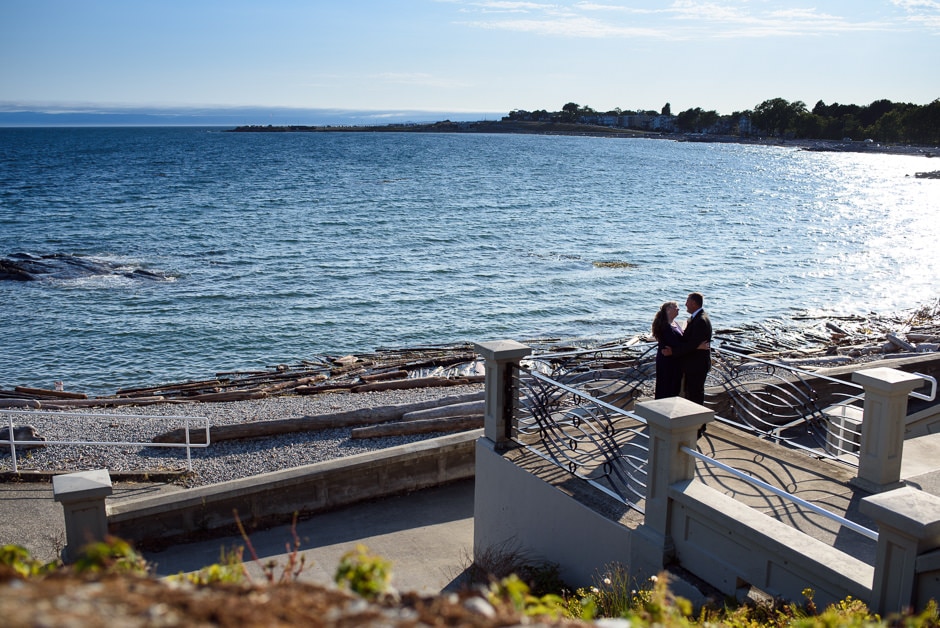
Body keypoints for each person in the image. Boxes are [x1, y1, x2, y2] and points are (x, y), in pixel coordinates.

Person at [651, 301, 683, 399]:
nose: (678, 309)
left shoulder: (675, 323)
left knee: (674, 385)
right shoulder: (665, 326)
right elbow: (675, 343)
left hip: (675, 359)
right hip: (667, 361)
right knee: (666, 386)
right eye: (675, 307)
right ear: (668, 310)